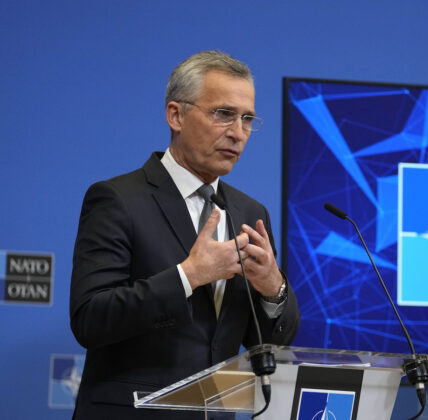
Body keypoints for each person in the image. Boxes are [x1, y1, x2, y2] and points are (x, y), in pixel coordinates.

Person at [69, 50, 300, 419]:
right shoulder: (118, 199)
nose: (238, 133)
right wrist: (188, 276)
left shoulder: (250, 214)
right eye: (223, 114)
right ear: (175, 115)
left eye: (247, 119)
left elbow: (268, 345)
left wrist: (273, 289)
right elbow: (90, 319)